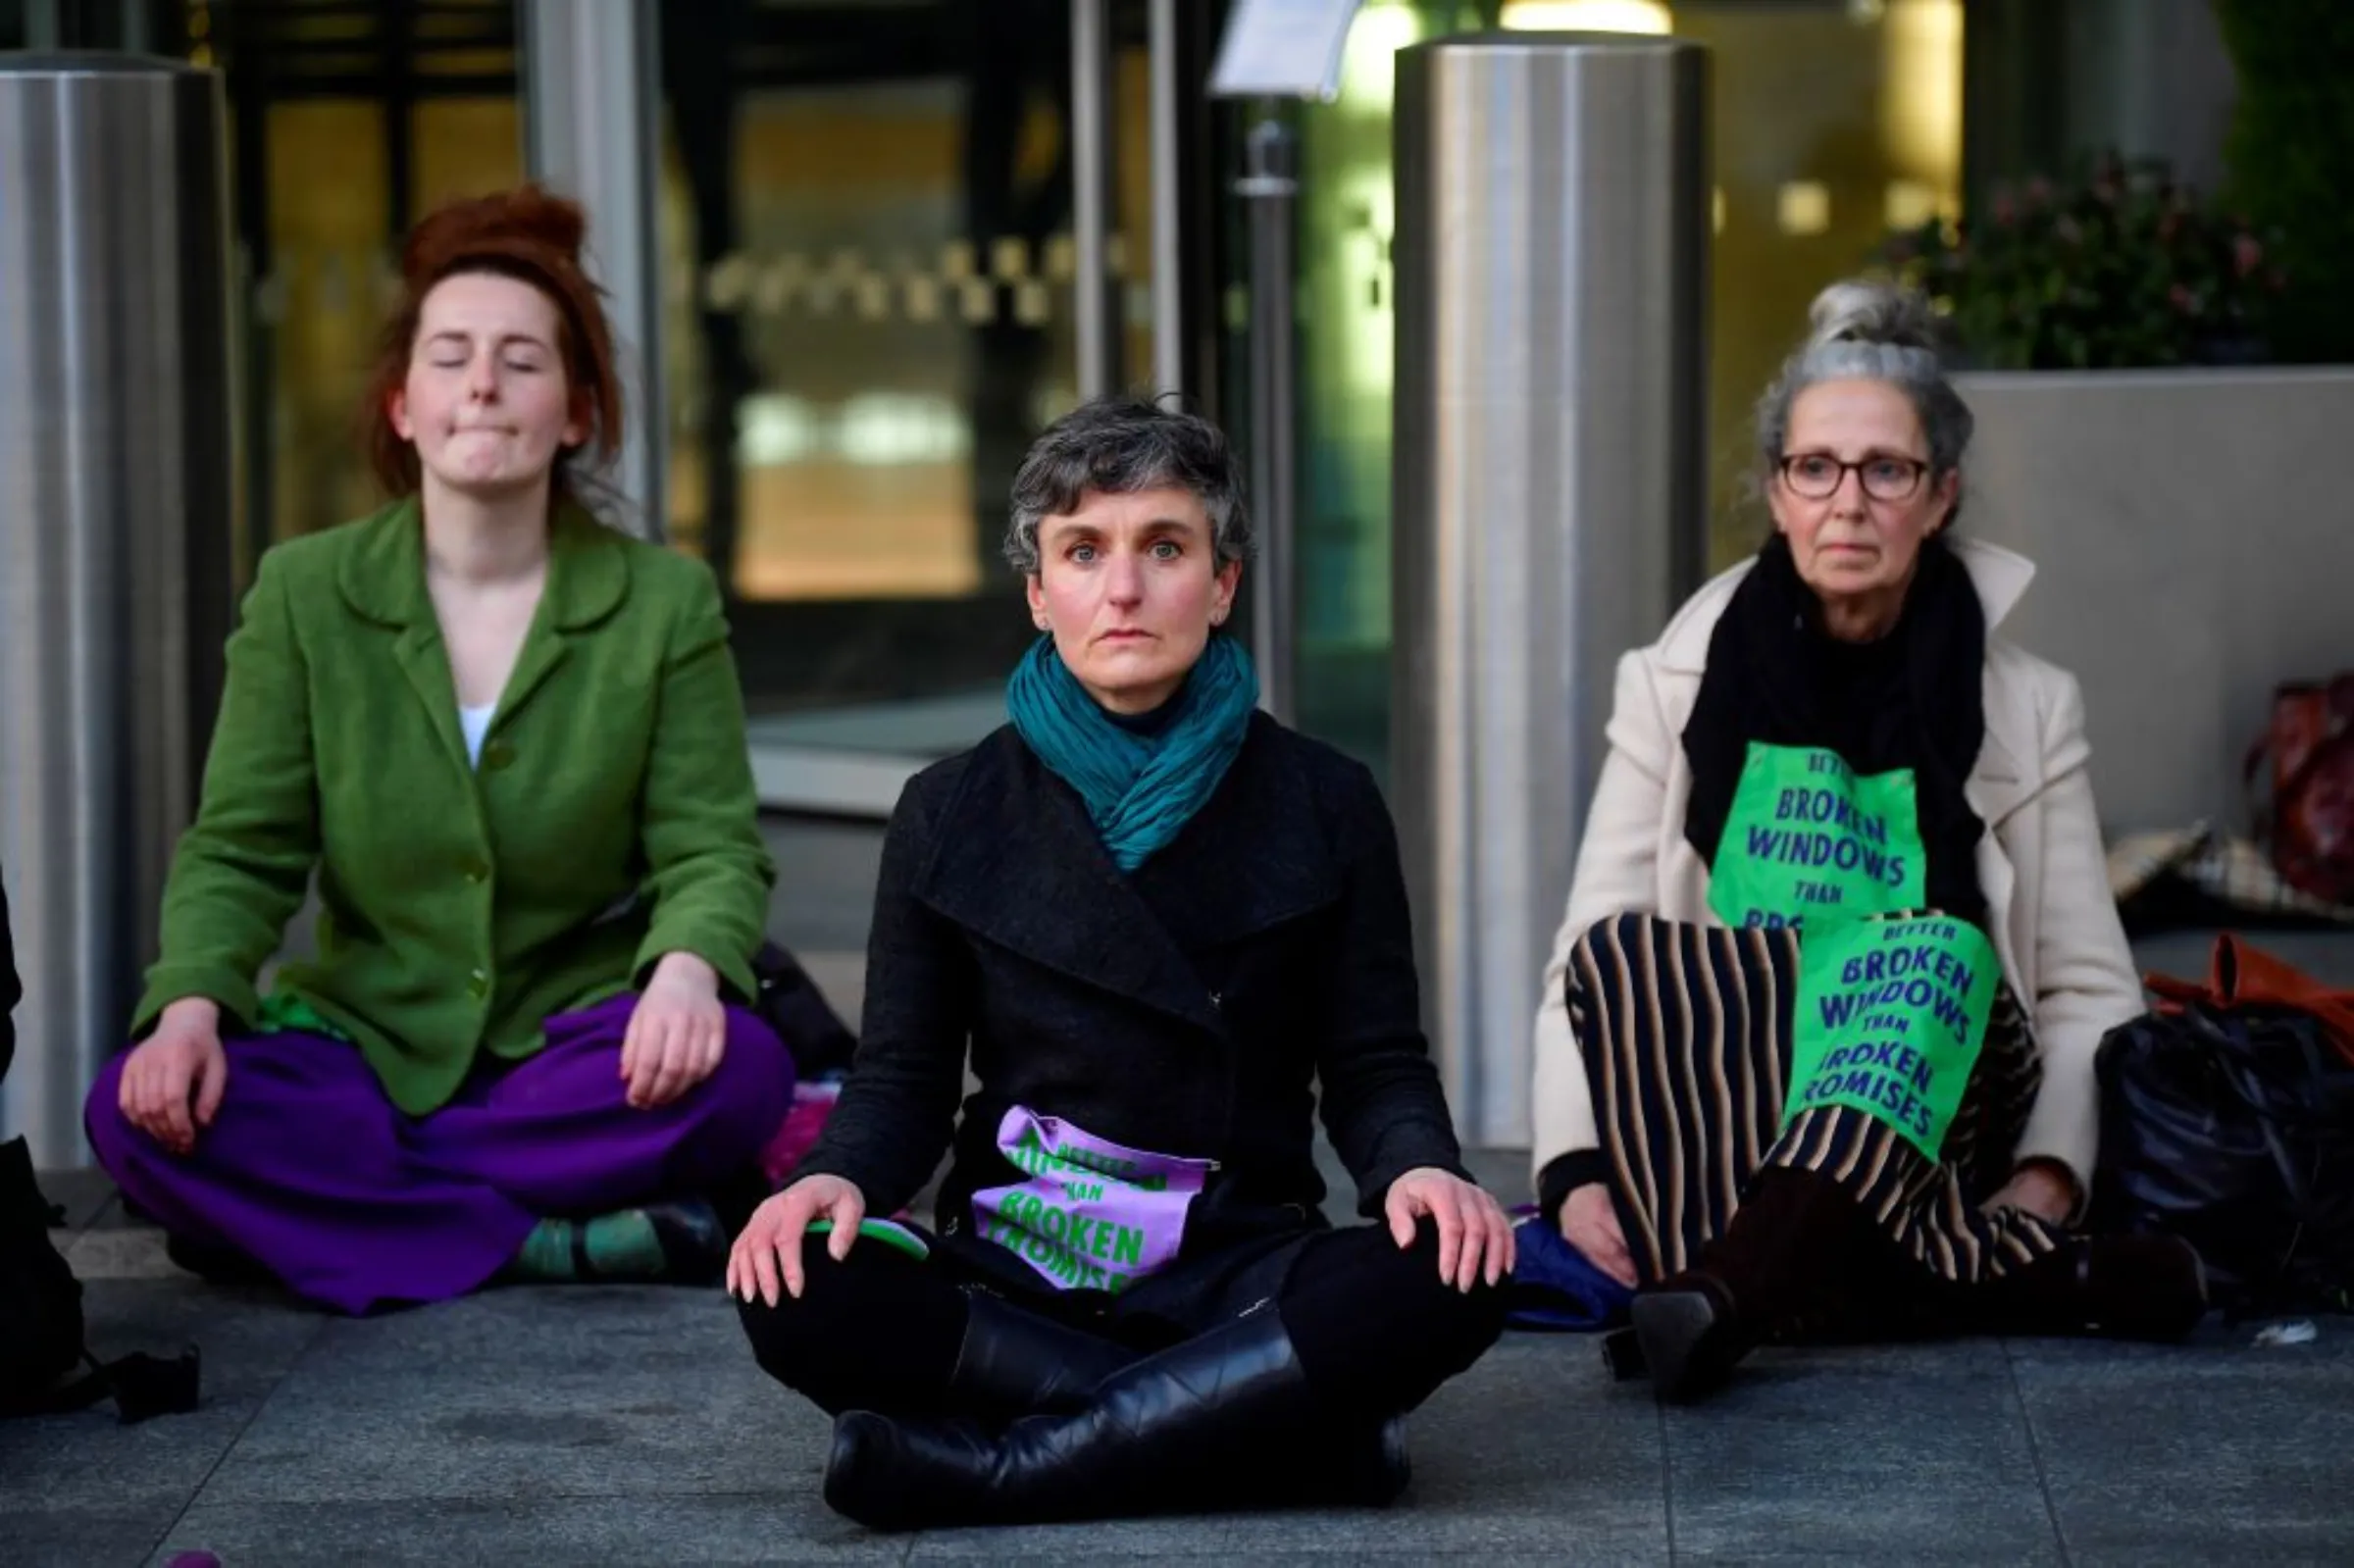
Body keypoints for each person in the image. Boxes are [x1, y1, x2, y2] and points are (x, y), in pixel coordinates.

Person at [728, 396, 1509, 1532]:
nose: (1125, 590)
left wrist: (1419, 1171)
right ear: (1040, 593)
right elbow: (902, 1080)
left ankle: (1009, 1470)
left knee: (1454, 1270)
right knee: (800, 1283)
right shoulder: (948, 810)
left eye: (1165, 548)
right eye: (1084, 552)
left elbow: (1376, 1062)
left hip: (1237, 1263)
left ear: (1224, 582)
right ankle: (1290, 1442)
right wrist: (833, 1178)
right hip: (1020, 1263)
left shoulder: (1323, 799)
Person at [82, 187, 791, 1317]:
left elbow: (710, 844)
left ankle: (340, 1225)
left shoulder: (663, 602)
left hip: (567, 1045)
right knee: (134, 1109)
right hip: (361, 1045)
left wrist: (686, 973)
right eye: (450, 355)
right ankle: (552, 1242)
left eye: (522, 361)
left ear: (574, 413)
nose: (482, 385)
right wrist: (191, 1007)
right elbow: (242, 847)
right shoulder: (305, 592)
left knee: (743, 1073)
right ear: (402, 403)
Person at [1528, 279, 2207, 1402]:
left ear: (1940, 496)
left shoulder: (2030, 704)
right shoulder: (1671, 686)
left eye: (1885, 471)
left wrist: (2046, 1177)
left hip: (1937, 1120)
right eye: (1816, 469)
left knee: (1926, 954)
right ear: (1776, 493)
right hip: (1723, 1113)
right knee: (1619, 953)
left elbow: (2089, 984)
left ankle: (1736, 1293)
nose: (1848, 503)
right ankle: (1984, 1282)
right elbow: (1586, 954)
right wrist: (1572, 1173)